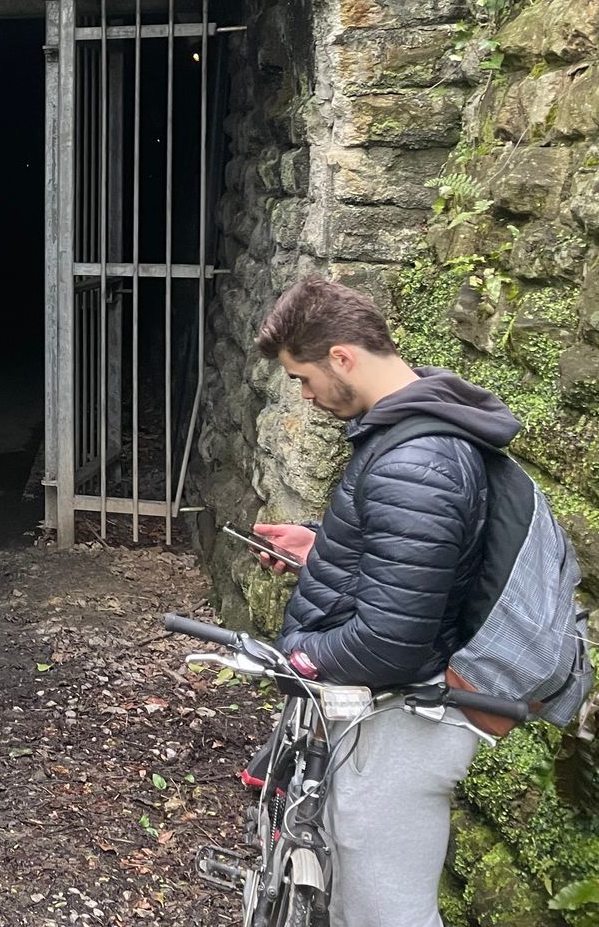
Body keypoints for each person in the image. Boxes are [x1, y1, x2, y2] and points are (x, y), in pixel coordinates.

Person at [250, 276, 515, 927]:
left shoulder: (417, 460)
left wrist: (301, 656)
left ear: (342, 356)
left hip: (405, 727)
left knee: (385, 912)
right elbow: (411, 559)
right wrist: (321, 546)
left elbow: (390, 641)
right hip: (393, 716)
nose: (307, 397)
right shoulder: (417, 427)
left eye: (304, 378)